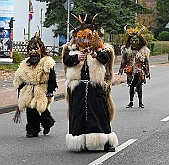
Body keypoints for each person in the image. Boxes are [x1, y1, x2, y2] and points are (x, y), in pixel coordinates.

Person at [62, 13, 118, 152]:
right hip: (78, 87)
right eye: (81, 37)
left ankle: (106, 142)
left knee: (100, 114)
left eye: (87, 37)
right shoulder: (71, 50)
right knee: (78, 114)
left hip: (96, 87)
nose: (84, 40)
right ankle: (80, 142)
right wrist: (77, 59)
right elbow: (66, 60)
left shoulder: (102, 48)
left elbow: (106, 58)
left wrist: (96, 55)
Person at [13, 30, 57, 138]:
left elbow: (52, 78)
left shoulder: (47, 62)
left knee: (41, 110)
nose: (33, 51)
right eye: (31, 49)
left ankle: (48, 123)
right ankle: (32, 130)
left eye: (35, 49)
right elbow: (20, 79)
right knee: (31, 111)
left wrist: (50, 91)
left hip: (42, 89)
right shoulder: (25, 64)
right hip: (28, 90)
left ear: (41, 49)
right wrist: (20, 93)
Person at [118, 25, 150, 108]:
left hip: (139, 70)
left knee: (139, 85)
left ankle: (140, 102)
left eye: (136, 40)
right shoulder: (127, 50)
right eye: (133, 40)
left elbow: (146, 62)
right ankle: (131, 102)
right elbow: (123, 60)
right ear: (130, 40)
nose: (134, 42)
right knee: (131, 85)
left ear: (139, 40)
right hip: (130, 71)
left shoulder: (143, 50)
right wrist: (121, 69)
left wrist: (147, 71)